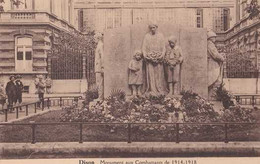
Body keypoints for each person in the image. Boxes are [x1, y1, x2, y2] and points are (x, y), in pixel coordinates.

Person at [142, 22, 167, 96]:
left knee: (158, 75)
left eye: (154, 27)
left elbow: (163, 48)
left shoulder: (161, 36)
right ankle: (151, 90)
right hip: (150, 59)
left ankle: (159, 89)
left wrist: (161, 55)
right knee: (150, 75)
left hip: (158, 59)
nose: (152, 29)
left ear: (156, 27)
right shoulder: (147, 36)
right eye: (151, 28)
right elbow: (144, 48)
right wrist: (146, 56)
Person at [207, 30, 225, 100]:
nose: (215, 39)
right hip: (212, 65)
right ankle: (211, 96)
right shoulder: (210, 44)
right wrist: (221, 57)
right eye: (214, 37)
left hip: (212, 64)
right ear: (210, 38)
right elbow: (215, 55)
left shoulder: (209, 44)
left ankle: (210, 96)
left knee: (213, 81)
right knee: (215, 80)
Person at [94, 32, 104, 101]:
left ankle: (100, 98)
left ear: (98, 38)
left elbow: (102, 56)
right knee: (98, 82)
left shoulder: (101, 45)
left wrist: (103, 67)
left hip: (99, 67)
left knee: (99, 82)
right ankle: (100, 97)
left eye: (94, 38)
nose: (94, 40)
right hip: (98, 67)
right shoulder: (99, 45)